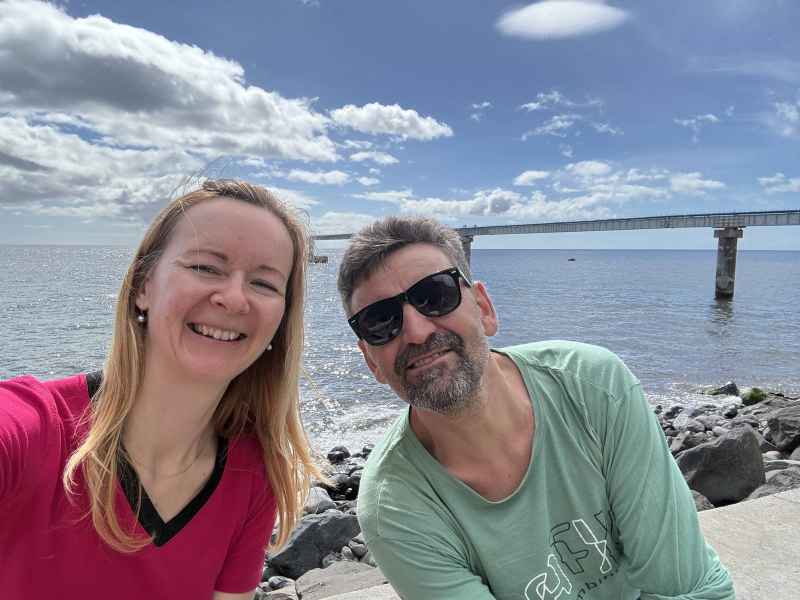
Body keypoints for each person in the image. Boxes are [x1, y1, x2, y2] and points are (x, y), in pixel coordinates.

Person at [337, 216, 735, 600]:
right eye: (379, 321)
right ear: (372, 362)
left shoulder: (593, 387)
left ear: (485, 309)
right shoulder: (395, 504)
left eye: (435, 295)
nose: (417, 330)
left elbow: (691, 589)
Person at [0, 180, 321, 599]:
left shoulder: (253, 472)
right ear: (143, 286)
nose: (234, 298)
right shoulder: (33, 429)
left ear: (281, 320)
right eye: (205, 267)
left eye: (264, 283)